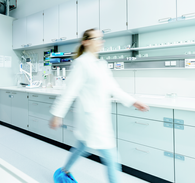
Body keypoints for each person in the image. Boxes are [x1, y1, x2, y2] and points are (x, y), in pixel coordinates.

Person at [49, 28, 149, 183]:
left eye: (102, 38)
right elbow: (69, 91)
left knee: (82, 146)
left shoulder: (101, 64)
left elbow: (113, 88)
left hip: (100, 116)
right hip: (91, 119)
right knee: (112, 158)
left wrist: (132, 101)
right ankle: (64, 172)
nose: (101, 41)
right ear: (86, 41)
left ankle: (63, 171)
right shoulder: (81, 63)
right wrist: (58, 115)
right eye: (97, 38)